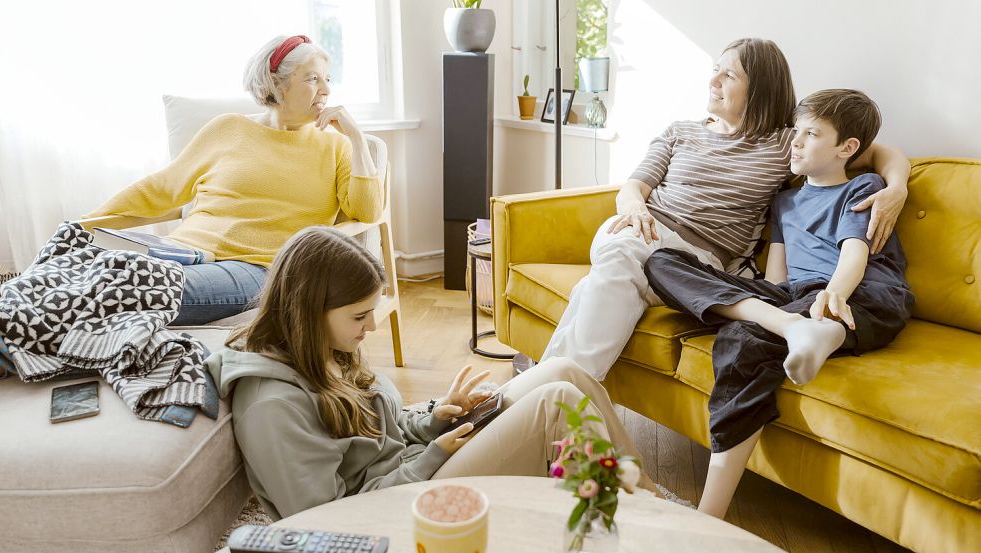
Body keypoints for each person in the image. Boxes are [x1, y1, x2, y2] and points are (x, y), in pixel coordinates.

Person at [204, 226, 651, 520]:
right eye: (360, 317)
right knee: (558, 404)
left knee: (564, 371)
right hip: (391, 511)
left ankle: (644, 500)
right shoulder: (272, 405)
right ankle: (643, 519)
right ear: (309, 311)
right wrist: (433, 454)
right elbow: (328, 517)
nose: (372, 327)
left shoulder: (322, 346)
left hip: (410, 470)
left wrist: (438, 416)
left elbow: (380, 431)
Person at [540, 38, 910, 381]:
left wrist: (897, 187)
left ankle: (543, 395)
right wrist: (636, 209)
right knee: (622, 255)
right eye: (715, 69)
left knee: (597, 287)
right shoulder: (679, 132)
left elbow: (876, 151)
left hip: (696, 258)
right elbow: (634, 186)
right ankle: (562, 399)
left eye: (729, 74)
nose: (713, 80)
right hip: (642, 228)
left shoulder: (784, 144)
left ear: (759, 90)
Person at [643, 89, 914, 519]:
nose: (797, 142)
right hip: (795, 296)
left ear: (847, 149)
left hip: (861, 288)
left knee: (753, 331)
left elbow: (854, 254)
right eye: (797, 132)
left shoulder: (864, 186)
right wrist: (774, 306)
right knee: (662, 262)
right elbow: (777, 277)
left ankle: (708, 517)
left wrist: (833, 296)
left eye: (812, 134)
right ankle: (795, 327)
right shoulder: (783, 200)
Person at [83, 35, 381, 325]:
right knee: (78, 268)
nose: (327, 89)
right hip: (182, 251)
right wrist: (86, 224)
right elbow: (161, 187)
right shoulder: (227, 128)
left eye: (327, 78)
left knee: (119, 287)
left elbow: (366, 212)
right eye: (313, 78)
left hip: (256, 268)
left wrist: (355, 138)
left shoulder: (336, 147)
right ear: (277, 83)